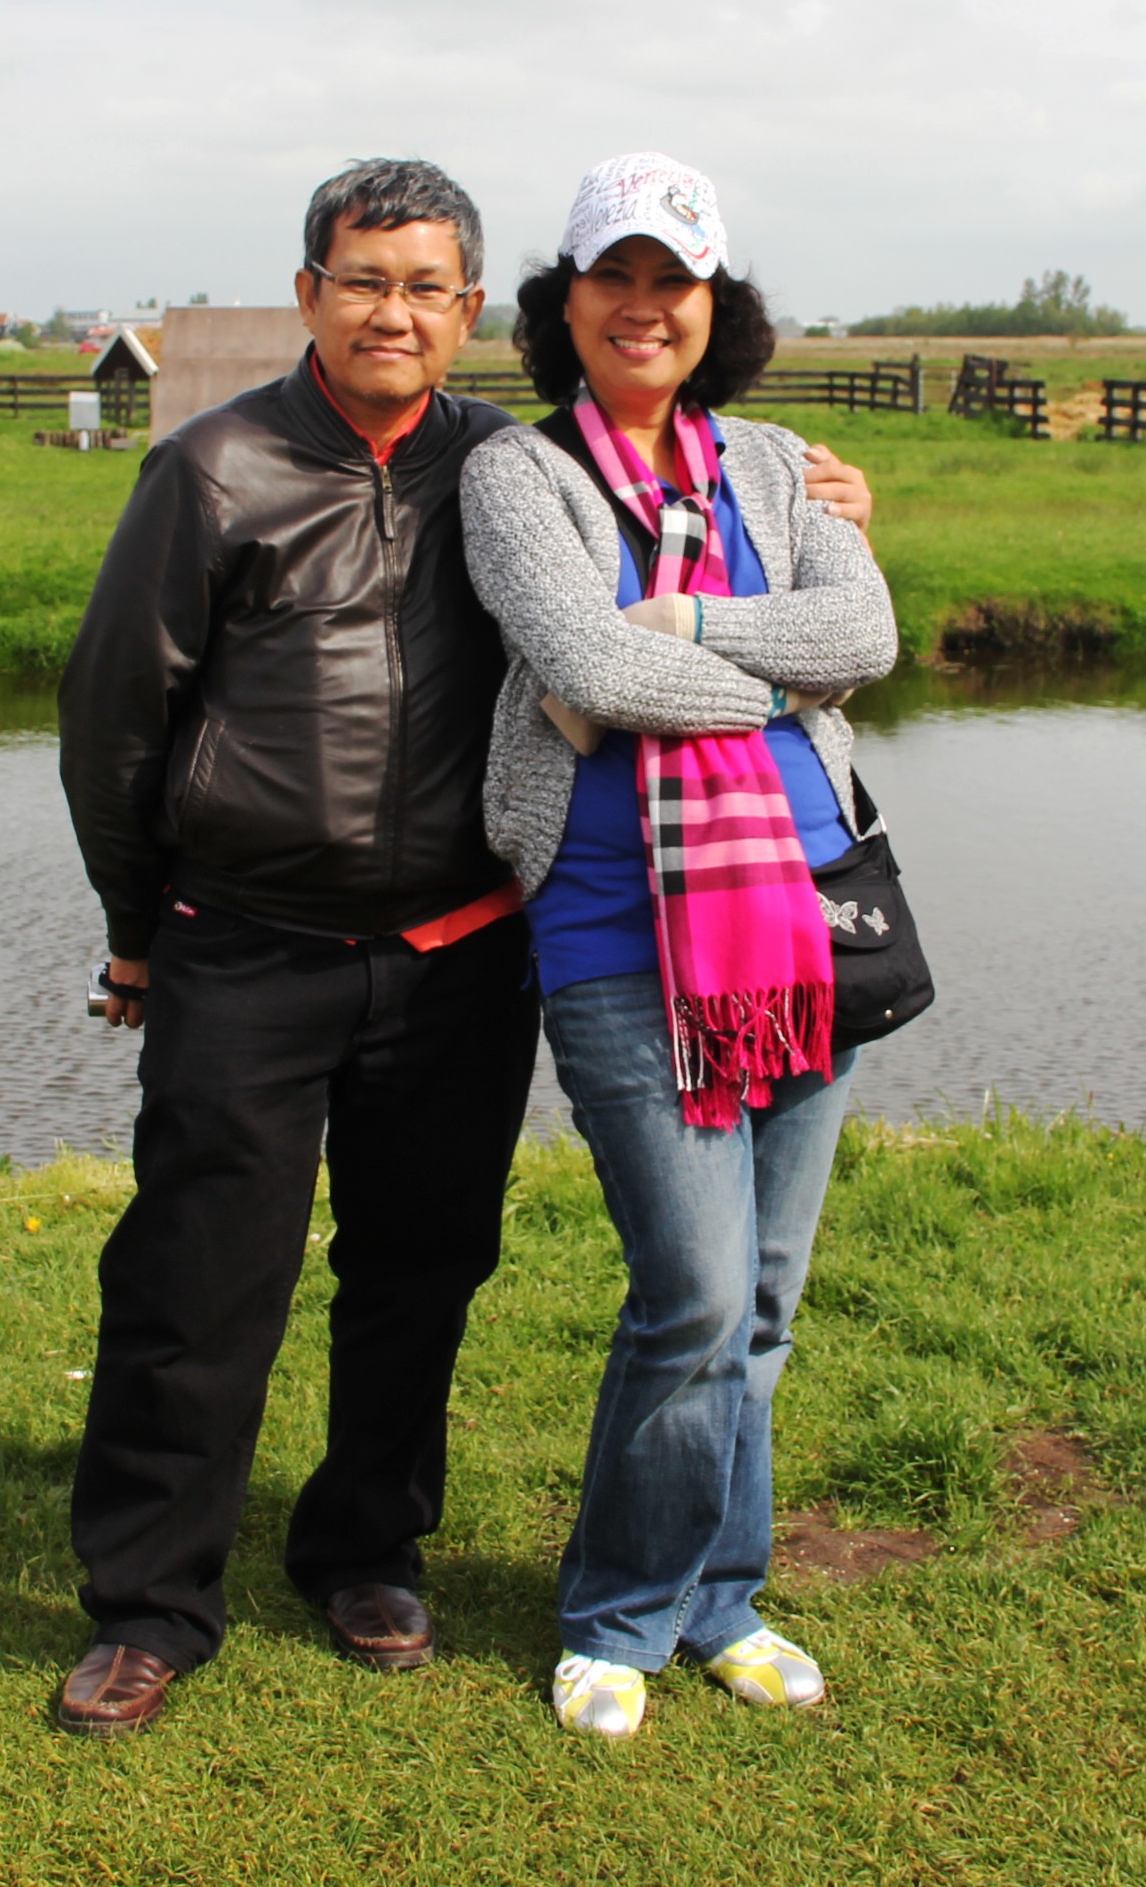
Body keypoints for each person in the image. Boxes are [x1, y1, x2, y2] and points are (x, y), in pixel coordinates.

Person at [50, 157, 872, 1738]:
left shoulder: (501, 462)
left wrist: (823, 530)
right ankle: (150, 1605)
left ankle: (367, 1551)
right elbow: (117, 718)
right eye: (364, 281)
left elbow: (781, 606)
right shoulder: (214, 471)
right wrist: (134, 929)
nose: (394, 313)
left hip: (456, 944)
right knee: (199, 1278)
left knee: (420, 1271)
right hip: (251, 939)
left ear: (474, 308)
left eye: (427, 287)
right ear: (310, 293)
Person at [457, 153, 901, 1739]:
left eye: (676, 281)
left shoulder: (779, 466)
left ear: (720, 307)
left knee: (766, 1299)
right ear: (565, 302)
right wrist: (773, 678)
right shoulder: (521, 477)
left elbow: (868, 637)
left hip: (805, 918)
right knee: (697, 1295)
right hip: (615, 929)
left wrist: (682, 629)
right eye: (615, 278)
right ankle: (618, 1614)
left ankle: (724, 1600)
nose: (645, 308)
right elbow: (580, 665)